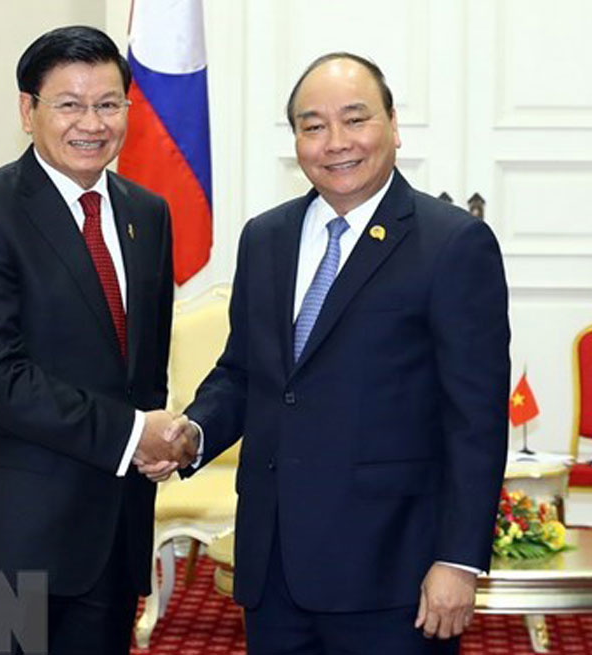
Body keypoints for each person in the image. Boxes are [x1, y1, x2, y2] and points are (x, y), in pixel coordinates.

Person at [153, 53, 510, 654]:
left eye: (355, 119)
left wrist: (458, 559)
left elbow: (474, 417)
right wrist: (194, 432)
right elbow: (245, 373)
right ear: (296, 139)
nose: (335, 142)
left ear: (393, 125)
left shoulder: (453, 243)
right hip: (275, 567)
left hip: (392, 572)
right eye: (313, 126)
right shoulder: (266, 237)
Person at [0, 25, 197, 655]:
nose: (92, 123)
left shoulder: (146, 214)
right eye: (69, 104)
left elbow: (143, 368)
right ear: (28, 111)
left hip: (109, 531)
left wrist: (154, 442)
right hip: (3, 536)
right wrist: (135, 433)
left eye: (108, 104)